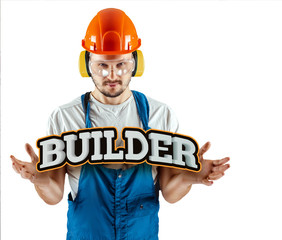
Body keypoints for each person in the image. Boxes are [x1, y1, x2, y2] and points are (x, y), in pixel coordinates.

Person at [10, 8, 230, 240]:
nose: (112, 75)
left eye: (121, 65)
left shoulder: (160, 115)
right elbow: (53, 194)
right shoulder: (65, 117)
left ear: (137, 62)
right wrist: (39, 180)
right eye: (102, 65)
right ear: (86, 65)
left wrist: (191, 177)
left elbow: (170, 192)